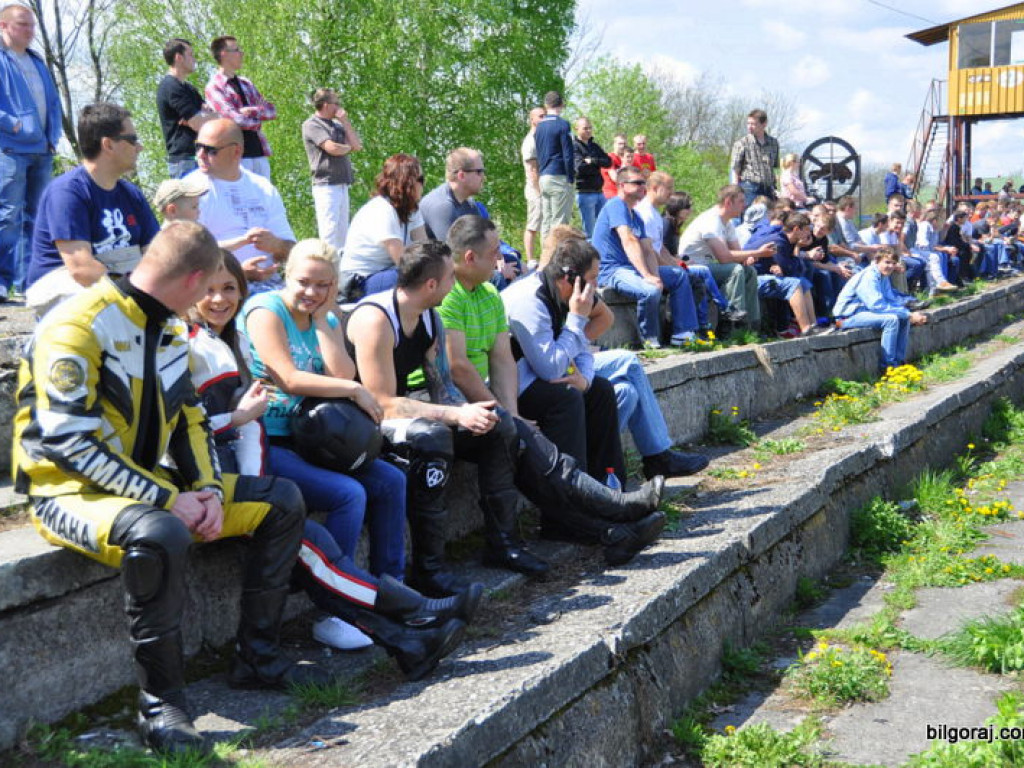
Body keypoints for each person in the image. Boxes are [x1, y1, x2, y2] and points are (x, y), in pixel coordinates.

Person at [13, 222, 329, 755]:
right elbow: (69, 447)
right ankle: (161, 706)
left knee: (279, 500)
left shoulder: (168, 328)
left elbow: (189, 419)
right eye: (209, 288)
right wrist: (169, 499)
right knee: (160, 534)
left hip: (143, 485)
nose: (211, 298)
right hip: (64, 493)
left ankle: (258, 657)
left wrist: (205, 489)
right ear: (196, 279)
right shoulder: (77, 324)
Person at [194, 249, 476, 669]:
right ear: (285, 276)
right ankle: (339, 615)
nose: (312, 291)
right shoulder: (261, 311)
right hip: (271, 442)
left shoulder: (320, 314)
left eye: (324, 284)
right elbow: (290, 378)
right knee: (347, 494)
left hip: (311, 437)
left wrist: (327, 317)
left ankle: (396, 590)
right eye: (304, 282)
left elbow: (342, 374)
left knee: (390, 480)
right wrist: (353, 391)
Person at [439, 214, 666, 564]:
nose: (501, 260)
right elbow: (458, 369)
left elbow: (502, 360)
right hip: (456, 406)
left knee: (597, 393)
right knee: (555, 414)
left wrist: (510, 413)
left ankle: (610, 512)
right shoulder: (451, 296)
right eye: (495, 253)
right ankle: (613, 514)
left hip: (495, 401)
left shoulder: (487, 293)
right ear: (470, 258)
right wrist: (506, 416)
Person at [345, 240, 549, 597]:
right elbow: (382, 404)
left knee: (496, 424)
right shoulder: (376, 319)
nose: (455, 283)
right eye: (450, 277)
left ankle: (504, 543)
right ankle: (430, 569)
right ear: (431, 285)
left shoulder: (429, 317)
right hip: (361, 424)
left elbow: (442, 389)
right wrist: (454, 414)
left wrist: (474, 413)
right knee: (432, 436)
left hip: (400, 413)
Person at [504, 234, 709, 482]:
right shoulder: (531, 302)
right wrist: (577, 320)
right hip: (520, 386)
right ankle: (653, 459)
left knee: (619, 391)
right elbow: (551, 369)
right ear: (571, 278)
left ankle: (611, 484)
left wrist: (586, 380)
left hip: (548, 371)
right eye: (593, 278)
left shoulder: (571, 293)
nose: (597, 285)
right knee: (619, 371)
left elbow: (583, 342)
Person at [26, 102, 159, 318]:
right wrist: (140, 297)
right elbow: (81, 270)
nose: (140, 147)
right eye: (132, 140)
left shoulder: (131, 194)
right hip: (61, 281)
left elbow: (156, 255)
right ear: (108, 145)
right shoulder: (68, 192)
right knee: (107, 312)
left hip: (118, 276)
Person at [187, 118, 295, 294]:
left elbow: (293, 251)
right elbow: (186, 256)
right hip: (216, 289)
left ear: (236, 151)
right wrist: (238, 273)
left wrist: (277, 245)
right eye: (198, 146)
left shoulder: (263, 188)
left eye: (210, 150)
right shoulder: (190, 190)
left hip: (272, 285)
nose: (200, 155)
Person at [595, 167, 698, 347]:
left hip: (631, 268)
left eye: (644, 183)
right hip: (612, 270)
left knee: (679, 276)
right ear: (621, 185)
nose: (643, 186)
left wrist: (655, 275)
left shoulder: (636, 216)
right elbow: (628, 240)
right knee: (649, 290)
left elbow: (648, 250)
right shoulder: (615, 205)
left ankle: (682, 333)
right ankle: (649, 340)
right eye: (637, 183)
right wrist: (647, 275)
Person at [0, 2, 62, 299]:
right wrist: (12, 125)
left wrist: (53, 135)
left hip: (42, 149)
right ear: (4, 26)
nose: (30, 31)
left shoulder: (37, 61)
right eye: (22, 24)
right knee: (8, 215)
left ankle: (30, 283)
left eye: (32, 25)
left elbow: (53, 103)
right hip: (10, 150)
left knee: (37, 217)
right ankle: (2, 281)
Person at [678, 184, 776, 330]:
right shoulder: (712, 221)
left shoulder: (727, 222)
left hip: (707, 266)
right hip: (693, 267)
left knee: (749, 271)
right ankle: (731, 323)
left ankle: (752, 326)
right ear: (728, 202)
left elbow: (737, 252)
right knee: (735, 270)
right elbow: (724, 257)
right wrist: (758, 253)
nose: (745, 206)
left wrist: (747, 258)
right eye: (741, 201)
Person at [339, 153, 427, 301]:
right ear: (407, 182)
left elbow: (425, 246)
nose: (423, 185)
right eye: (421, 180)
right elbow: (403, 261)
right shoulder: (382, 210)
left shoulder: (412, 209)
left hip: (384, 273)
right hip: (358, 283)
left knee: (430, 273)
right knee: (415, 277)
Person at [833, 247, 928, 372]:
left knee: (903, 318)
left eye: (893, 263)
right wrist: (909, 315)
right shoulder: (869, 276)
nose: (890, 266)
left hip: (864, 312)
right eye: (886, 262)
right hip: (848, 316)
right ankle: (888, 367)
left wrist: (908, 314)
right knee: (891, 320)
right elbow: (876, 305)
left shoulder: (883, 276)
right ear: (877, 261)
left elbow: (890, 300)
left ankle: (899, 362)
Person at [205, 36, 275, 179]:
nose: (241, 54)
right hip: (237, 156)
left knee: (265, 198)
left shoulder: (246, 83)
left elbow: (271, 111)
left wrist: (251, 111)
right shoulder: (215, 86)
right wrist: (257, 119)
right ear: (224, 54)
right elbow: (234, 120)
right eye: (236, 50)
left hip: (259, 152)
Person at [301, 87, 362, 253]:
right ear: (326, 105)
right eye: (336, 103)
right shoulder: (312, 124)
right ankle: (327, 271)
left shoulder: (337, 125)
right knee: (329, 234)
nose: (339, 107)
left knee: (343, 235)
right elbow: (331, 148)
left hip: (342, 184)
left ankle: (341, 273)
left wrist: (345, 122)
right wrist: (348, 147)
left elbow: (357, 145)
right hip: (326, 185)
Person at [156, 38, 215, 179]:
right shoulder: (170, 87)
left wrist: (204, 117)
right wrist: (198, 118)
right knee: (189, 202)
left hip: (200, 157)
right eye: (191, 55)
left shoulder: (189, 88)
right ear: (179, 58)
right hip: (184, 162)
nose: (194, 59)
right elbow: (198, 123)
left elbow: (208, 118)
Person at [420, 147, 486, 241]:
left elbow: (481, 243)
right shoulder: (442, 206)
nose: (483, 177)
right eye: (479, 172)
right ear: (461, 175)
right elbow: (453, 253)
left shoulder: (469, 204)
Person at [534, 91, 574, 236]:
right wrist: (571, 178)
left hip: (544, 176)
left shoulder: (539, 127)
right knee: (560, 222)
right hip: (558, 176)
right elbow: (568, 154)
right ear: (561, 105)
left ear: (546, 105)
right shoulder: (563, 125)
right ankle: (556, 256)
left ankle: (546, 256)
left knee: (547, 220)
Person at [731, 109, 779, 207]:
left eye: (753, 124)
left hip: (768, 189)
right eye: (748, 123)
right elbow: (735, 169)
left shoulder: (773, 143)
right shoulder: (741, 143)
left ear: (764, 124)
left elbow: (775, 167)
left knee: (769, 218)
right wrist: (735, 190)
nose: (750, 127)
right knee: (750, 218)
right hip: (749, 187)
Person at [572, 117, 611, 238]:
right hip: (585, 193)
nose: (588, 131)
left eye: (590, 128)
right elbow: (580, 168)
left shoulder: (594, 146)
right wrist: (595, 164)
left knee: (605, 227)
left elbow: (608, 162)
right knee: (590, 231)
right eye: (585, 128)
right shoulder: (574, 147)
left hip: (600, 192)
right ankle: (591, 256)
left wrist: (593, 161)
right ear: (577, 129)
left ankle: (603, 254)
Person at [521, 107, 544, 266]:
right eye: (541, 116)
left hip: (543, 188)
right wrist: (538, 190)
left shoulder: (540, 138)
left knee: (545, 225)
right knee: (533, 225)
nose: (544, 119)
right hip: (535, 189)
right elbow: (532, 169)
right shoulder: (530, 141)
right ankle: (530, 260)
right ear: (532, 120)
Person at [601, 133, 627, 199]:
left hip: (622, 194)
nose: (622, 146)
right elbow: (615, 178)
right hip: (610, 194)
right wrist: (624, 164)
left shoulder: (625, 158)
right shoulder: (609, 158)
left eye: (624, 144)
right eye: (620, 144)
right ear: (614, 144)